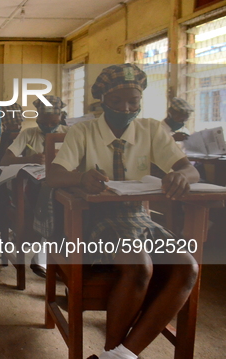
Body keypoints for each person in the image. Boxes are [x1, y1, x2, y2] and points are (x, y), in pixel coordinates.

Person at [46, 64, 199, 359]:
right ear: (102, 100)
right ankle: (112, 350)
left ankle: (118, 356)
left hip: (140, 218)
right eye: (117, 102)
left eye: (134, 101)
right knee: (140, 265)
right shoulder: (83, 131)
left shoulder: (152, 129)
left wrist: (182, 177)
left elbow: (187, 168)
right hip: (96, 220)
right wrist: (81, 177)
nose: (126, 108)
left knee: (186, 267)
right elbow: (54, 176)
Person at [0, 96, 68, 278]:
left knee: (66, 199)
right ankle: (43, 254)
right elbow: (5, 159)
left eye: (53, 122)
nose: (49, 126)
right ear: (37, 118)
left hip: (63, 187)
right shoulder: (29, 134)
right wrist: (29, 159)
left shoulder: (69, 134)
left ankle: (60, 258)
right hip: (34, 188)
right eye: (44, 122)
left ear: (61, 118)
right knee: (49, 194)